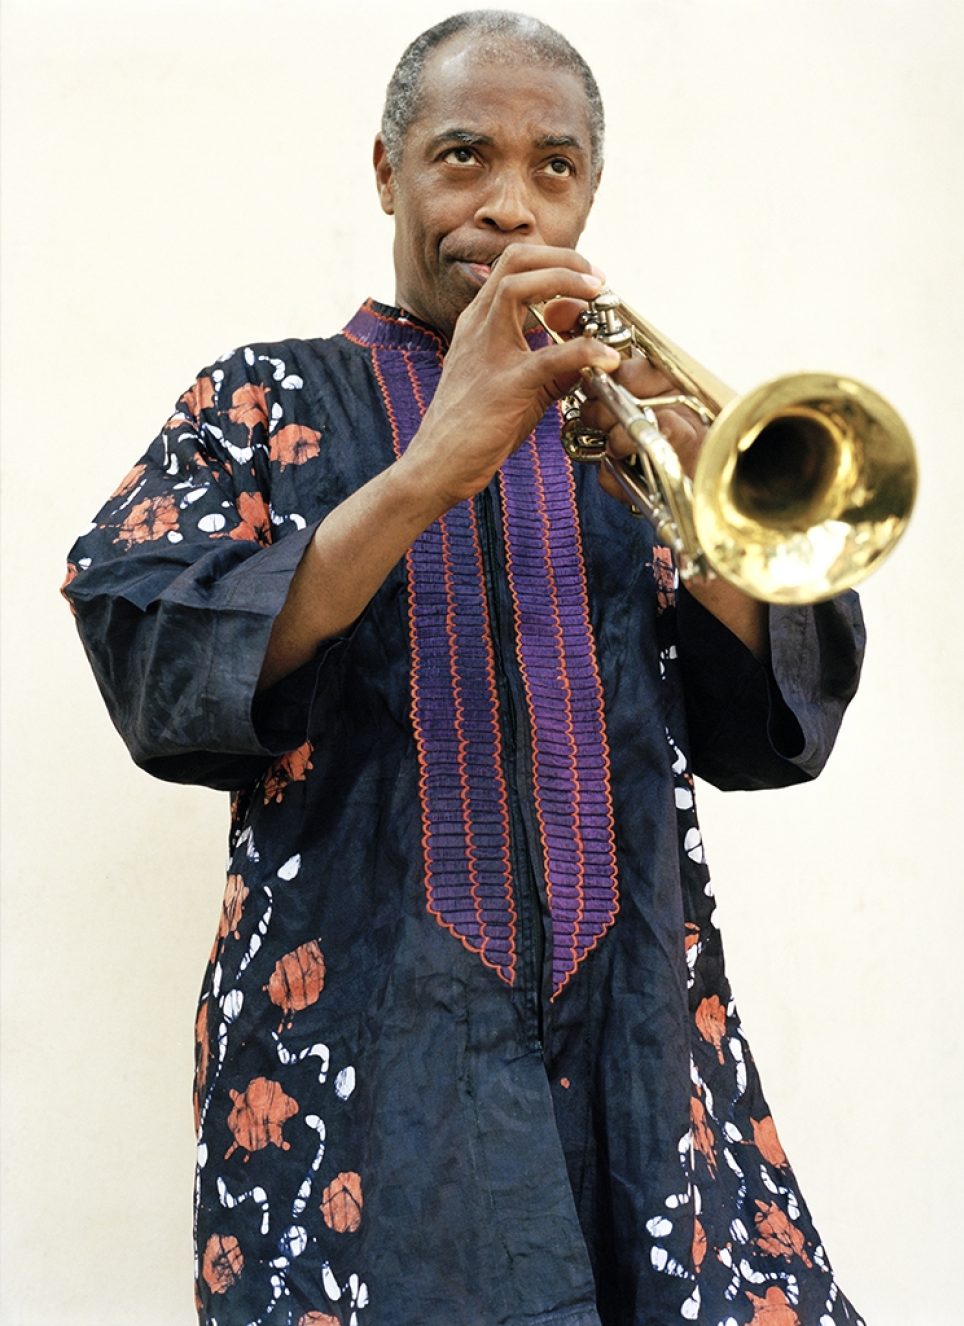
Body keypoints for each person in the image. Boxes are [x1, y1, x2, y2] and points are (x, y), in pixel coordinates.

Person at [63, 11, 867, 1325]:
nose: (508, 200)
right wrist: (436, 460)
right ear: (387, 171)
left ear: (591, 188)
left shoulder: (625, 418)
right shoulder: (263, 397)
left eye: (554, 166)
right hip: (363, 1063)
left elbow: (784, 707)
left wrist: (704, 490)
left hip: (644, 1051)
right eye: (462, 156)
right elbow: (145, 622)